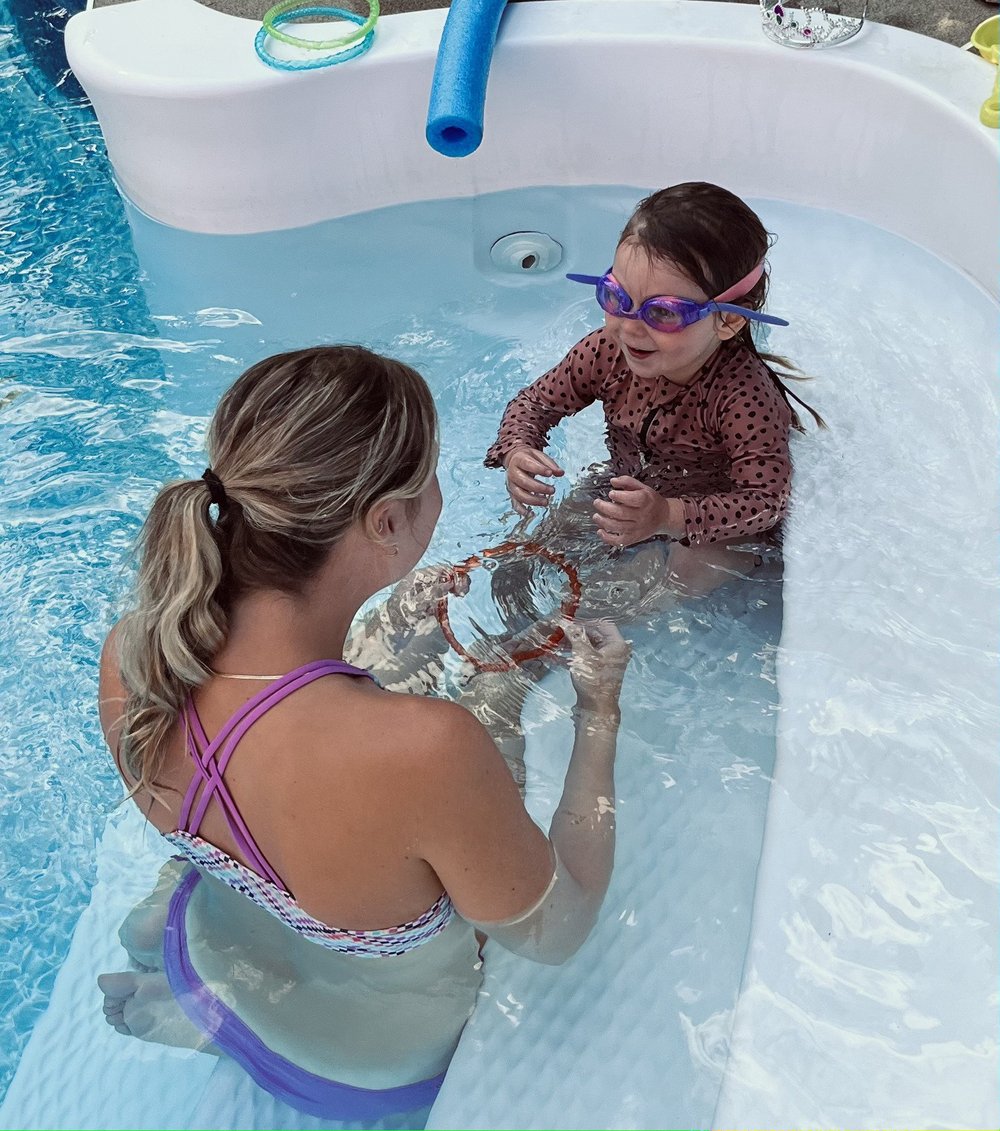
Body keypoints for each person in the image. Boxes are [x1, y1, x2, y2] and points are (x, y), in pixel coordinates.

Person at [96, 345, 630, 1129]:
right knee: (493, 706)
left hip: (206, 953)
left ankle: (191, 996)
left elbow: (274, 746)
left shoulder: (137, 651)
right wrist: (599, 713)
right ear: (385, 520)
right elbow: (557, 931)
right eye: (434, 473)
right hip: (363, 1065)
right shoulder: (424, 747)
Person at [485, 181, 824, 621]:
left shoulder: (743, 396)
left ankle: (572, 636)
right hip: (633, 488)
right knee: (531, 553)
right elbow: (534, 403)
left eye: (663, 311)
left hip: (710, 523)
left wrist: (668, 516)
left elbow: (765, 501)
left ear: (727, 320)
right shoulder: (606, 353)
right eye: (617, 297)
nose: (629, 327)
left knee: (689, 565)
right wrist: (517, 449)